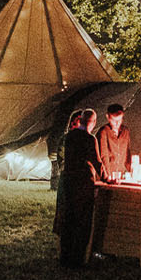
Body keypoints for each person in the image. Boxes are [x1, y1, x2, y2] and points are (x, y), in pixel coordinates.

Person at [55, 109, 101, 267]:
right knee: (82, 221)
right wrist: (106, 177)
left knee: (69, 219)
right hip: (83, 184)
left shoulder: (69, 137)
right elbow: (96, 161)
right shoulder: (90, 139)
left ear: (80, 120)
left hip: (69, 182)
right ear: (93, 122)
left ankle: (64, 257)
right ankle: (77, 259)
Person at [95, 103, 132, 181]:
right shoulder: (103, 132)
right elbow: (103, 156)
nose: (117, 123)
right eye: (114, 120)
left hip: (121, 175)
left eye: (120, 120)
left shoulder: (125, 131)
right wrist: (107, 176)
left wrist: (130, 172)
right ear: (108, 117)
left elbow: (127, 153)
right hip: (107, 176)